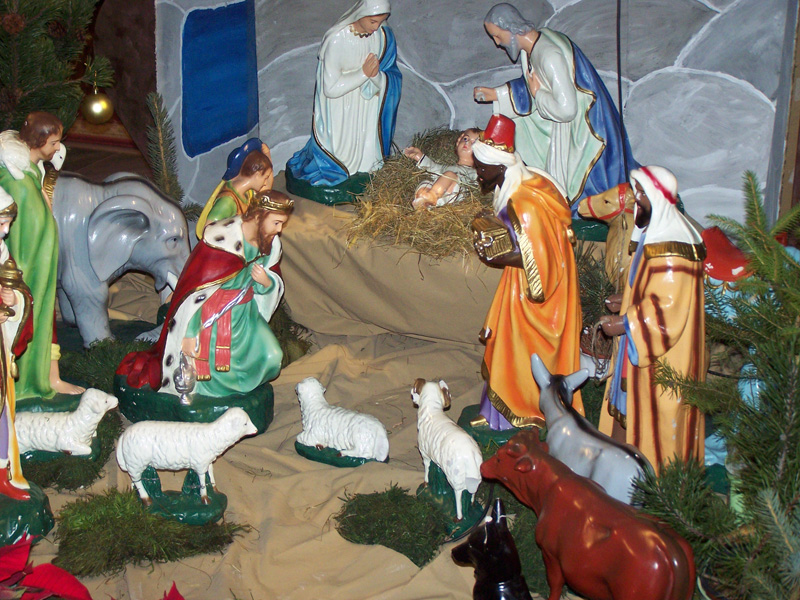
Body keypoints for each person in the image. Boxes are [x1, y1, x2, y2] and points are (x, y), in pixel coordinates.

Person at [117, 191, 293, 398]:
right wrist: (190, 333)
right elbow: (195, 295)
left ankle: (235, 394)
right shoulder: (220, 243)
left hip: (246, 316)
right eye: (276, 223)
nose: (279, 230)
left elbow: (269, 281)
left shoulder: (270, 243)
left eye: (282, 224)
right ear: (258, 217)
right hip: (211, 319)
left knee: (272, 356)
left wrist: (266, 282)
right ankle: (213, 396)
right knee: (214, 373)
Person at [470, 115, 583, 429]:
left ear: (499, 166)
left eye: (482, 168)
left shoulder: (525, 203)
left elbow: (541, 262)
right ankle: (496, 414)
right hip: (517, 287)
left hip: (537, 299)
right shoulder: (515, 187)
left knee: (519, 350)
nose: (478, 174)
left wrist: (496, 256)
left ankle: (522, 411)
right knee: (506, 347)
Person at [474, 3, 637, 212]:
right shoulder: (533, 48)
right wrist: (497, 93)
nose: (497, 43)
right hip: (565, 127)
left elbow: (566, 109)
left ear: (511, 28)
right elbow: (532, 83)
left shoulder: (548, 55)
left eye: (497, 36)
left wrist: (538, 95)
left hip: (582, 132)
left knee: (579, 186)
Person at [598, 166, 706, 471]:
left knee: (652, 412)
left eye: (642, 194)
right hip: (636, 344)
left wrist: (624, 322)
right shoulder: (652, 234)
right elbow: (649, 288)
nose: (637, 200)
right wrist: (626, 299)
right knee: (625, 401)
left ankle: (648, 478)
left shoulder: (673, 248)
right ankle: (618, 465)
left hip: (662, 357)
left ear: (658, 197)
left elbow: (667, 309)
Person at [0, 111, 83, 400]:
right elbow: (22, 234)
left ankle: (51, 376)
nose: (58, 148)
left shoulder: (32, 171)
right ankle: (36, 379)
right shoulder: (18, 182)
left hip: (41, 268)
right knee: (35, 322)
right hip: (29, 271)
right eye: (54, 142)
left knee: (48, 321)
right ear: (37, 142)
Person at [286, 0, 401, 187]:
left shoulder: (382, 36)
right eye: (373, 21)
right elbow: (330, 88)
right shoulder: (337, 39)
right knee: (342, 155)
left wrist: (376, 77)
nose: (377, 27)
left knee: (367, 156)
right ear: (360, 14)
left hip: (367, 107)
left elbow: (391, 75)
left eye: (381, 21)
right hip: (340, 108)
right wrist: (363, 74)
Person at [0, 189, 33, 500]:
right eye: (1, 223)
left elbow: (19, 292)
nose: (6, 230)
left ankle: (2, 475)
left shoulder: (2, 254)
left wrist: (14, 300)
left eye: (8, 222)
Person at [195, 138, 273, 239]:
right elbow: (208, 233)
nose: (265, 182)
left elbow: (266, 190)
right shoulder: (227, 202)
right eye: (265, 178)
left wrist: (267, 154)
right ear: (257, 175)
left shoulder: (247, 192)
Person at [403, 128, 480, 210]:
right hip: (439, 195)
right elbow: (433, 167)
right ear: (458, 141)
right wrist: (419, 157)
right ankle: (422, 202)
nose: (467, 142)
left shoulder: (474, 172)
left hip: (455, 195)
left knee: (449, 175)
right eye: (465, 139)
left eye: (474, 143)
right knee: (426, 183)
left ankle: (431, 197)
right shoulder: (447, 167)